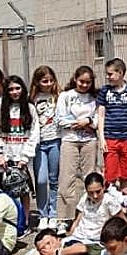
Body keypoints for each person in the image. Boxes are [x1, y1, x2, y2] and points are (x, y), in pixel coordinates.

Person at [55, 65, 99, 234]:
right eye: (81, 81)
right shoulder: (66, 96)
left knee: (90, 178)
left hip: (89, 141)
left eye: (88, 82)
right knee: (66, 179)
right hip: (70, 140)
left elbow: (97, 119)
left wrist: (88, 121)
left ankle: (87, 215)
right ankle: (63, 218)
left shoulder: (94, 98)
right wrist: (81, 123)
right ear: (75, 79)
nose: (84, 85)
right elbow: (60, 119)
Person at [0, 75, 37, 225]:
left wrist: (25, 157)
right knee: (7, 191)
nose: (14, 92)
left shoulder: (30, 108)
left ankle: (24, 221)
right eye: (10, 89)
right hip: (5, 157)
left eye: (17, 88)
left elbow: (34, 134)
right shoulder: (1, 107)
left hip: (21, 157)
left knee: (23, 191)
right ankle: (10, 222)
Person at [95, 58, 127, 191]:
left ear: (120, 72)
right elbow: (101, 115)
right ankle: (110, 205)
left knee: (126, 176)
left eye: (110, 74)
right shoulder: (105, 91)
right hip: (110, 138)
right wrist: (102, 139)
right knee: (110, 177)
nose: (107, 77)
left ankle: (124, 205)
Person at [30, 65, 62, 231]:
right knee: (41, 180)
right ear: (37, 82)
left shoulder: (59, 96)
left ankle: (54, 213)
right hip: (39, 143)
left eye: (50, 80)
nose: (48, 84)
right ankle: (43, 214)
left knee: (54, 179)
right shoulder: (32, 98)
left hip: (55, 140)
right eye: (44, 81)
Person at [68, 172, 127, 254]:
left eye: (98, 191)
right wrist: (70, 236)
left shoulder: (109, 201)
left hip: (97, 242)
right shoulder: (84, 198)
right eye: (91, 193)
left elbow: (123, 220)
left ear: (103, 187)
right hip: (79, 237)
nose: (95, 196)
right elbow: (77, 220)